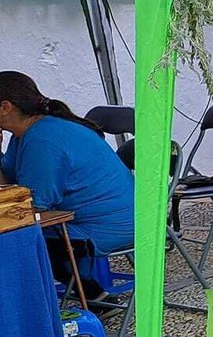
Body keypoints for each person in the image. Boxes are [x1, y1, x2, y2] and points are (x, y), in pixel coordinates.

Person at [0, 71, 132, 302]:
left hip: (111, 225)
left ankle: (89, 298)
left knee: (15, 241)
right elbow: (10, 190)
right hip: (85, 219)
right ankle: (94, 296)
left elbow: (32, 207)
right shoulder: (23, 135)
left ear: (5, 107)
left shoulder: (43, 139)